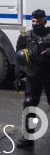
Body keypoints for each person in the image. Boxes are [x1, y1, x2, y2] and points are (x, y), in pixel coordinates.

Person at [14, 9, 50, 148]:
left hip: (49, 73)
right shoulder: (26, 37)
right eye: (34, 21)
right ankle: (28, 137)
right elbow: (17, 56)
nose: (36, 24)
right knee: (29, 104)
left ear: (44, 21)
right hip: (33, 74)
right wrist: (17, 75)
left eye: (39, 22)